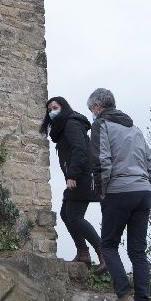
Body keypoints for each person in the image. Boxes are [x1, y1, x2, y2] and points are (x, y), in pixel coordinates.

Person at [87, 87, 151, 301]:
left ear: (97, 106)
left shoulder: (101, 126)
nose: (92, 114)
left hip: (118, 190)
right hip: (143, 192)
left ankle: (124, 296)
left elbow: (101, 161)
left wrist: (103, 192)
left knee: (108, 245)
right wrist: (146, 184)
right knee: (138, 251)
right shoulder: (135, 129)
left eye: (91, 109)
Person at [41, 96, 102, 270]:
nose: (52, 112)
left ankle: (102, 251)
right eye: (49, 110)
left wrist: (73, 175)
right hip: (77, 176)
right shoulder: (63, 127)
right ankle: (83, 253)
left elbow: (80, 150)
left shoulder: (71, 123)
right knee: (66, 214)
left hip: (81, 176)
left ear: (64, 107)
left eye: (55, 108)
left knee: (74, 215)